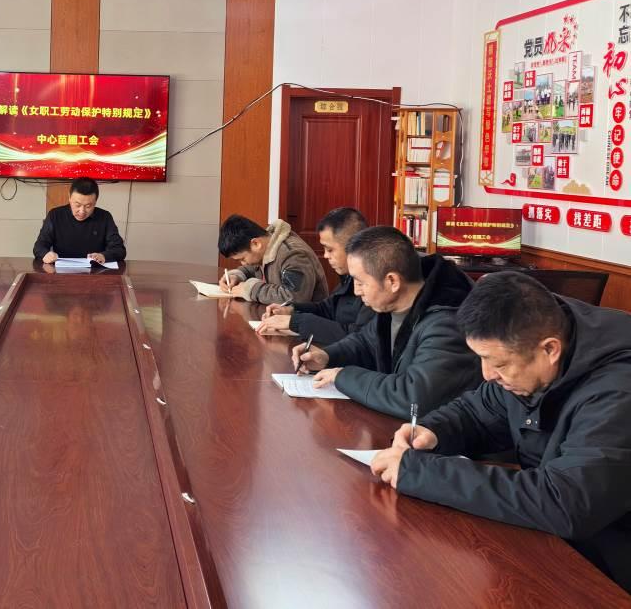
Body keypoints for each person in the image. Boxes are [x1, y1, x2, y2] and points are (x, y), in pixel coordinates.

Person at [371, 272, 631, 594]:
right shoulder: (530, 335)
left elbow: (567, 502)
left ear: (550, 349)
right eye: (481, 359)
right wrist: (433, 431)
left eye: (499, 364)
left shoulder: (618, 389)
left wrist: (421, 472)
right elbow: (479, 410)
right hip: (557, 541)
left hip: (610, 562)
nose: (487, 374)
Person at [293, 225, 479, 419]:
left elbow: (413, 398)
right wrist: (327, 356)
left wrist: (342, 376)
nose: (356, 291)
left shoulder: (448, 323)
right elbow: (365, 342)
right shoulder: (392, 305)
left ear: (392, 281)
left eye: (360, 282)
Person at [257, 207, 372, 343]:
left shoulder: (374, 283)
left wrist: (296, 322)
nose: (325, 255)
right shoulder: (348, 277)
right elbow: (327, 309)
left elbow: (358, 337)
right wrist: (291, 310)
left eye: (330, 249)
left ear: (354, 246)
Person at [218, 215, 328, 304]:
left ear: (256, 243)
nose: (243, 263)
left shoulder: (293, 255)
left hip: (305, 321)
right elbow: (253, 267)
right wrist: (237, 276)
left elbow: (294, 297)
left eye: (242, 258)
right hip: (278, 317)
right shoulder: (265, 247)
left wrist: (250, 290)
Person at [33, 177, 126, 264]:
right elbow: (39, 246)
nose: (82, 211)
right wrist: (45, 254)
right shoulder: (55, 215)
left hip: (95, 271)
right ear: (69, 197)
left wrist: (104, 256)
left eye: (88, 206)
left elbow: (119, 250)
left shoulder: (105, 217)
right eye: (77, 205)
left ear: (95, 202)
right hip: (62, 270)